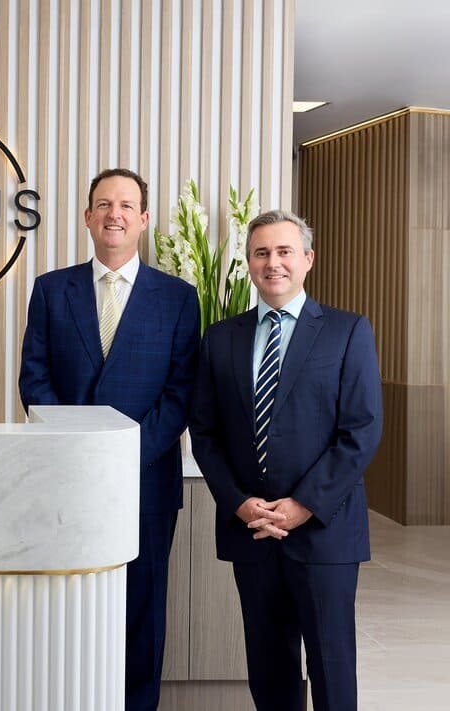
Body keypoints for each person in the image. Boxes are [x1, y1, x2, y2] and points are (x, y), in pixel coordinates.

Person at [19, 168, 200, 710]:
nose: (113, 214)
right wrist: (81, 455)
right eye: (103, 204)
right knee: (69, 605)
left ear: (144, 219)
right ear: (87, 217)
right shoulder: (52, 289)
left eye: (125, 205)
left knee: (143, 611)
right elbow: (35, 380)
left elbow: (180, 392)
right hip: (67, 483)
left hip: (145, 483)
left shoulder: (178, 297)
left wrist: (122, 457)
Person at [189, 209, 383, 711]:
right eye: (261, 253)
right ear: (249, 263)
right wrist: (239, 503)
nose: (272, 262)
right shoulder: (221, 338)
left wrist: (302, 505)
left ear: (307, 259)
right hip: (252, 533)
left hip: (324, 532)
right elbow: (206, 434)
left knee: (332, 668)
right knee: (269, 670)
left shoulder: (347, 331)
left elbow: (360, 430)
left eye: (283, 251)